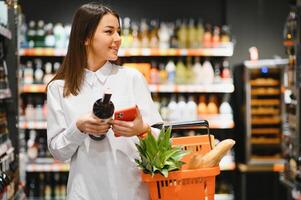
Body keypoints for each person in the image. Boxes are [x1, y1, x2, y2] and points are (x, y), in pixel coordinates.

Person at [47, 2, 162, 200]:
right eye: (109, 31)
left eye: (119, 31)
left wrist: (142, 129)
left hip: (132, 193)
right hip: (84, 193)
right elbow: (58, 152)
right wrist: (79, 127)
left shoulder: (132, 79)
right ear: (85, 37)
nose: (118, 39)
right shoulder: (59, 88)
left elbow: (162, 142)